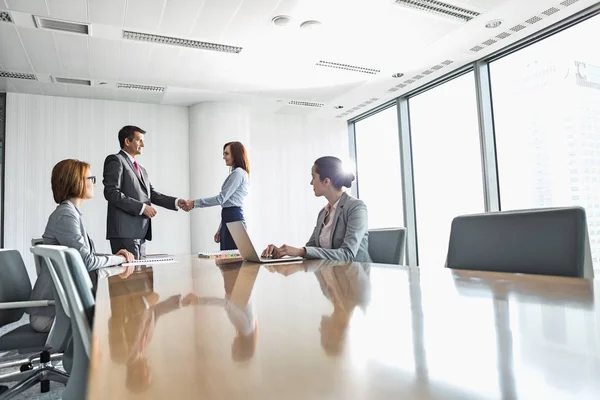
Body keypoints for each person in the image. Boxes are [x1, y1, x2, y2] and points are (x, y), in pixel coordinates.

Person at [29, 159, 134, 333]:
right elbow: (87, 261)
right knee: (117, 318)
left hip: (63, 306)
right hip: (52, 314)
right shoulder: (66, 215)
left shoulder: (70, 213)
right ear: (76, 181)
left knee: (117, 313)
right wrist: (120, 258)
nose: (94, 183)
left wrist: (116, 257)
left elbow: (85, 255)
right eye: (90, 178)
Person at [262, 156, 371, 262]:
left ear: (326, 181)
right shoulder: (323, 213)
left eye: (313, 177)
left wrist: (301, 251)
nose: (311, 182)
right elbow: (310, 249)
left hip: (353, 276)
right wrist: (282, 252)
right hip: (329, 274)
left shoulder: (356, 208)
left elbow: (347, 254)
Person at [103, 125, 188, 259]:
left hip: (140, 232)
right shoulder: (115, 160)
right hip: (124, 232)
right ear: (127, 141)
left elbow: (151, 194)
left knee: (140, 277)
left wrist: (176, 202)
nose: (143, 144)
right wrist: (141, 208)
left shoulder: (141, 169)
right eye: (139, 140)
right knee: (129, 278)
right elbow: (111, 193)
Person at [183, 142, 250, 250]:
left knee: (233, 262)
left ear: (235, 154)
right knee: (229, 261)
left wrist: (194, 203)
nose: (224, 157)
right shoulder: (238, 173)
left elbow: (221, 199)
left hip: (234, 220)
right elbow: (227, 204)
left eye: (226, 154)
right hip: (230, 218)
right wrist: (221, 228)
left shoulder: (238, 173)